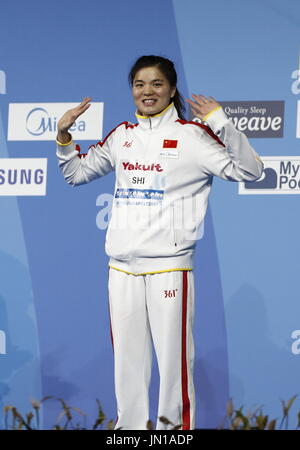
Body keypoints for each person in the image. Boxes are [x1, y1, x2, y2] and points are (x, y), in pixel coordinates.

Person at [56, 55, 263, 430]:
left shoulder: (193, 137)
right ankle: (129, 433)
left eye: (155, 84)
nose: (147, 91)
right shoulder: (122, 136)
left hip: (169, 267)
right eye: (139, 84)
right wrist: (65, 136)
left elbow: (250, 169)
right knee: (128, 364)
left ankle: (173, 434)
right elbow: (76, 173)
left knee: (173, 365)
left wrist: (221, 122)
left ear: (171, 89)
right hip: (121, 268)